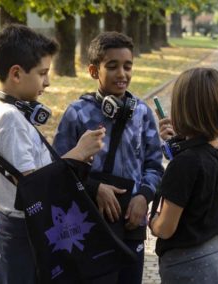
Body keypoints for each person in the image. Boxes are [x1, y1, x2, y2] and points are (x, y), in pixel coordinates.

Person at [0, 24, 105, 284]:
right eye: (42, 73)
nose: (48, 82)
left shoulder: (8, 112)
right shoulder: (9, 118)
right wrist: (77, 153)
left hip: (21, 228)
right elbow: (33, 185)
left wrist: (77, 159)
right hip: (23, 231)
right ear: (16, 74)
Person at [52, 31, 164, 283]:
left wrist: (144, 197)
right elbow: (58, 169)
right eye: (112, 66)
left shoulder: (143, 113)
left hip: (131, 222)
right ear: (94, 71)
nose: (122, 74)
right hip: (89, 222)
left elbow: (155, 165)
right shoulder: (76, 114)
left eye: (127, 66)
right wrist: (94, 187)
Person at [149, 67, 218, 283]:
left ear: (183, 109)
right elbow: (197, 173)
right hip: (216, 255)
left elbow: (165, 228)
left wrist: (151, 220)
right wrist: (179, 142)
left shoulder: (185, 163)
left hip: (188, 266)